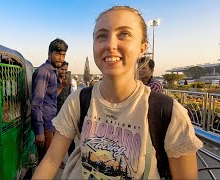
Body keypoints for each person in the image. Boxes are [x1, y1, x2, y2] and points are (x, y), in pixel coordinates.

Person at [32, 6, 203, 179]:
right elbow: (51, 161)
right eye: (101, 36)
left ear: (142, 48)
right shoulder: (79, 100)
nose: (110, 45)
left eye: (124, 34)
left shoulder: (168, 112)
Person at [31, 38, 68, 163]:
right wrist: (39, 131)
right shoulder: (44, 72)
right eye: (57, 54)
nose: (61, 58)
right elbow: (36, 103)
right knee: (46, 163)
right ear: (49, 53)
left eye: (63, 55)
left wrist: (61, 87)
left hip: (50, 123)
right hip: (45, 126)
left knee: (48, 160)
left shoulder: (53, 72)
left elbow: (50, 99)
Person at [56, 61, 75, 169]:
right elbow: (51, 97)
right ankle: (58, 161)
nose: (63, 72)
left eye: (65, 70)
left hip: (66, 113)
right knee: (58, 140)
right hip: (55, 113)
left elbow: (69, 96)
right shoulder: (53, 80)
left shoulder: (67, 81)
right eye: (62, 69)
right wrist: (61, 87)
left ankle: (73, 159)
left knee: (70, 138)